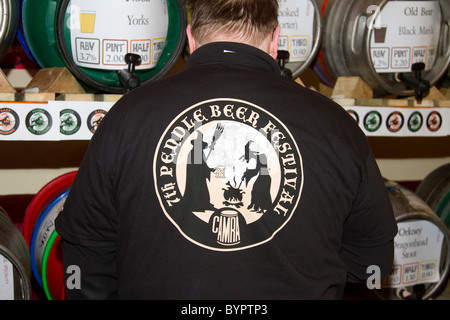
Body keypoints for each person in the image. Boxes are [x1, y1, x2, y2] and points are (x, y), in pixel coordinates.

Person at [55, 0, 398, 300]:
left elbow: (86, 256)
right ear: (276, 38)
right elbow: (372, 261)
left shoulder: (127, 116)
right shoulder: (336, 124)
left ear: (189, 38)